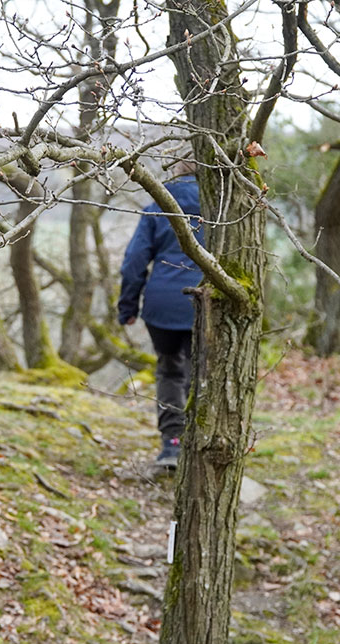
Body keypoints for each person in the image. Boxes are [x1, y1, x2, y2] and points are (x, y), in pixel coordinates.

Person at [117, 171, 204, 470]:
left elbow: (134, 262)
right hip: (204, 301)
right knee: (201, 370)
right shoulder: (221, 206)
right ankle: (199, 440)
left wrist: (127, 306)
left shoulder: (158, 205)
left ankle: (173, 443)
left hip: (162, 305)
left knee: (169, 371)